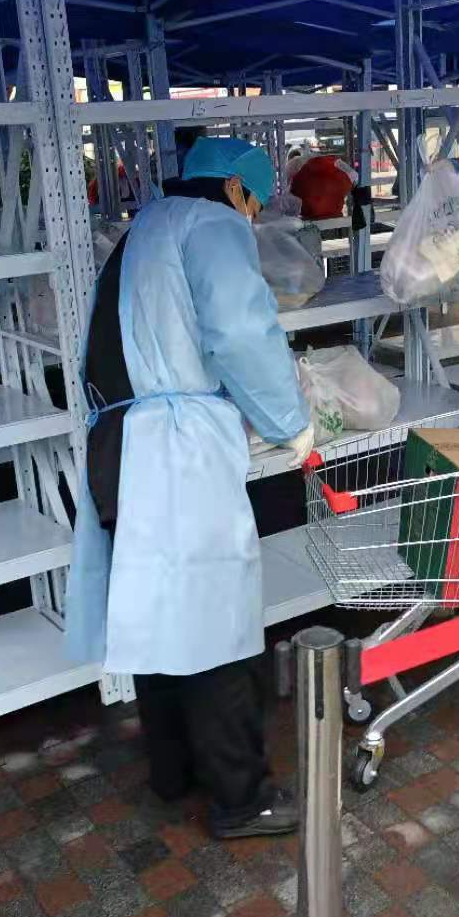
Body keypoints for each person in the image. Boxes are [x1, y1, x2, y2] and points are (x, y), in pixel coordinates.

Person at [66, 136, 316, 839]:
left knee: (158, 612)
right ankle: (241, 798)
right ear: (236, 188)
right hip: (171, 450)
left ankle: (173, 772)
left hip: (120, 440)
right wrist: (291, 422)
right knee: (212, 622)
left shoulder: (144, 228)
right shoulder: (212, 224)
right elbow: (240, 330)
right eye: (255, 202)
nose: (253, 216)